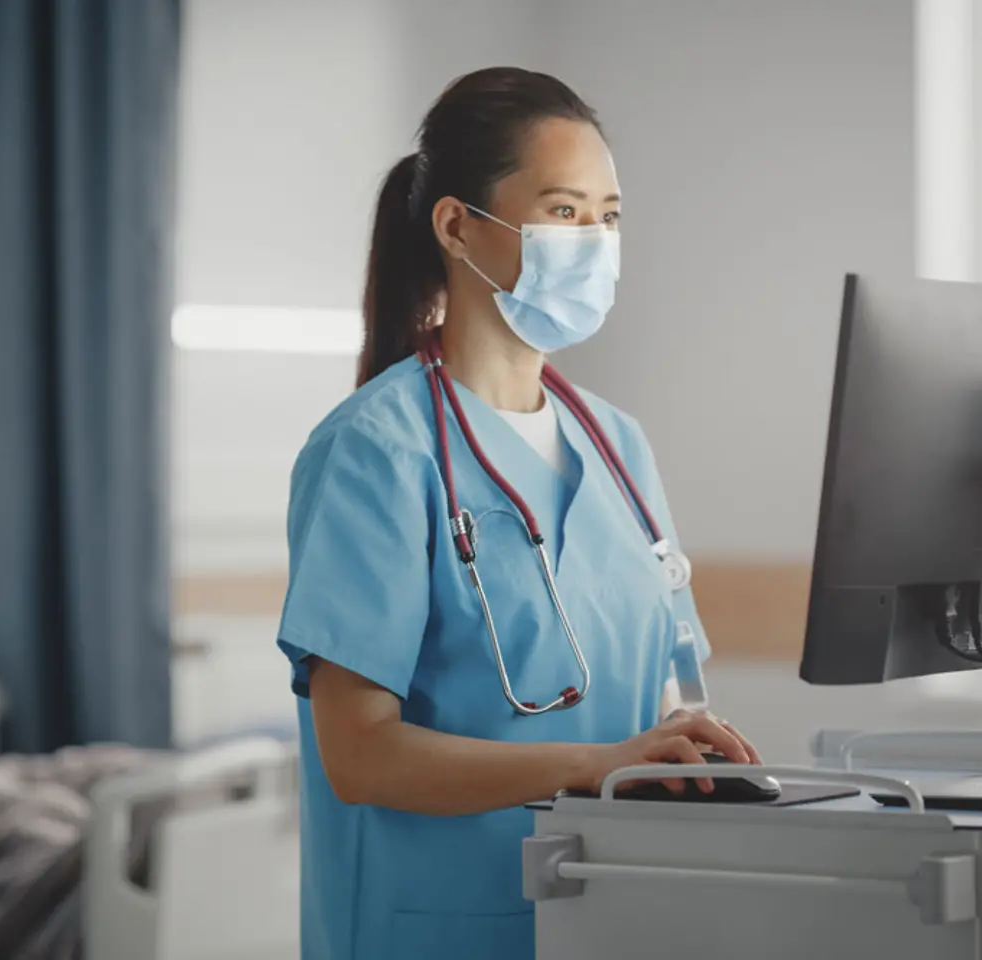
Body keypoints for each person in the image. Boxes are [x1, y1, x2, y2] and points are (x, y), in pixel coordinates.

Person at [276, 66, 761, 960]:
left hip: (607, 917)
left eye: (610, 217)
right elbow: (359, 755)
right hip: (433, 930)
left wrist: (691, 751)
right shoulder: (377, 452)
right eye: (566, 212)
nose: (597, 242)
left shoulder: (618, 446)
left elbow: (668, 693)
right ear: (459, 225)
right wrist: (594, 764)